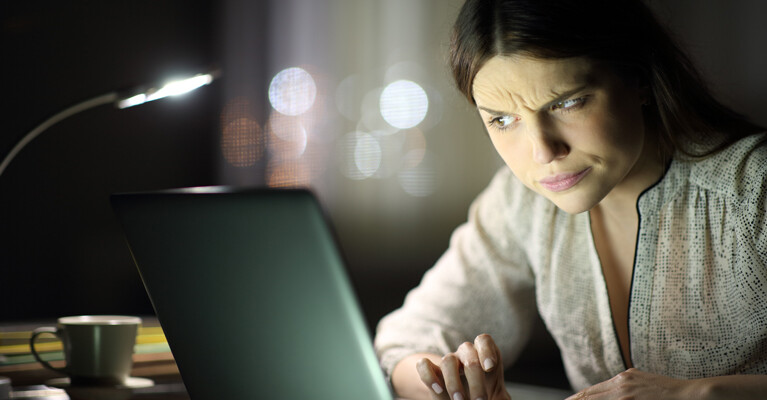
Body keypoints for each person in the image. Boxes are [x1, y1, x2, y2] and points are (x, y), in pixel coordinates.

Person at [373, 0, 767, 399]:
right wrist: (449, 385)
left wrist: (698, 394)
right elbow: (404, 343)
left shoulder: (754, 190)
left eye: (566, 102)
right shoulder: (522, 204)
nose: (543, 152)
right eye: (502, 120)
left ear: (639, 77)